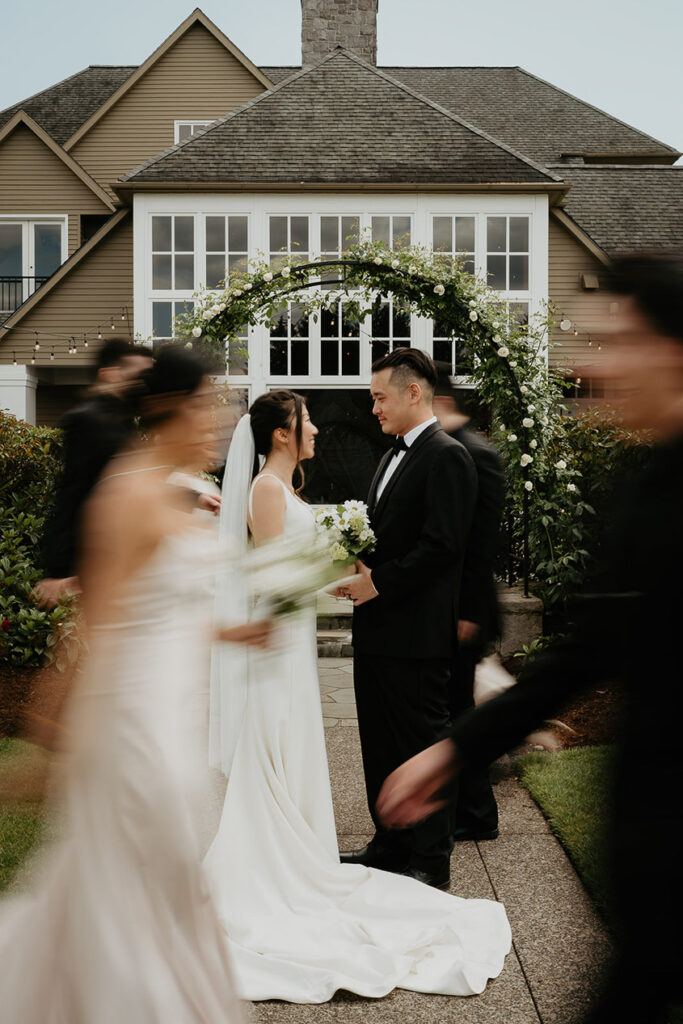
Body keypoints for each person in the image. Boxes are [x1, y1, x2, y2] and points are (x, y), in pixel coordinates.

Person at [377, 254, 683, 1024]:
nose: (590, 364)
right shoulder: (645, 478)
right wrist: (457, 749)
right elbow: (595, 644)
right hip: (651, 827)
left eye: (618, 342)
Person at [205, 388, 511, 1004]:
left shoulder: (285, 489)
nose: (317, 426)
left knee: (296, 740)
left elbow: (294, 564)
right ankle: (279, 852)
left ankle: (308, 844)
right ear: (284, 433)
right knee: (277, 740)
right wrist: (328, 568)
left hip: (294, 641)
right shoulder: (267, 488)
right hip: (280, 642)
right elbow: (271, 579)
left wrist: (340, 565)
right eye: (308, 419)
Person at [0, 346, 270, 1024]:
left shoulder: (178, 491)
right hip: (132, 728)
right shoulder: (125, 493)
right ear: (165, 406)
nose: (219, 419)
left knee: (166, 879)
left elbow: (175, 608)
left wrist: (234, 632)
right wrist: (42, 735)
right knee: (147, 872)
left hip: (176, 717)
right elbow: (101, 629)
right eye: (208, 402)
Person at [339, 348, 478, 889]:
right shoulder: (389, 455)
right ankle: (389, 843)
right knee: (379, 740)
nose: (373, 408)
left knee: (421, 745)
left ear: (412, 392)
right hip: (377, 630)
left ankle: (430, 857)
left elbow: (443, 547)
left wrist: (379, 582)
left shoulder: (447, 456)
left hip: (417, 635)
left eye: (379, 397)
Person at [433, 364, 503, 841]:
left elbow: (481, 546)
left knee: (459, 710)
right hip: (458, 607)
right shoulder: (460, 449)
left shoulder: (476, 453)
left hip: (468, 611)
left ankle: (477, 816)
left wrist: (468, 613)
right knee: (455, 707)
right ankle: (467, 809)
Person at [34, 338, 153, 608]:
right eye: (138, 375)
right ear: (109, 373)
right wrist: (61, 572)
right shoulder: (88, 420)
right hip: (93, 557)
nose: (143, 384)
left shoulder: (124, 420)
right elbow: (73, 493)